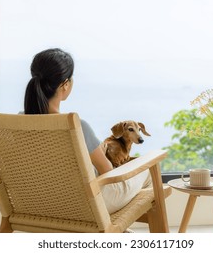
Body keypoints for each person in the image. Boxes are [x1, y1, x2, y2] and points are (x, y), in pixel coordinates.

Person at [24, 48, 151, 213]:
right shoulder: (77, 127)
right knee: (148, 169)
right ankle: (115, 228)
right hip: (88, 206)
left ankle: (118, 230)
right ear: (65, 84)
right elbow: (109, 173)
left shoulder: (17, 123)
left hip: (40, 202)